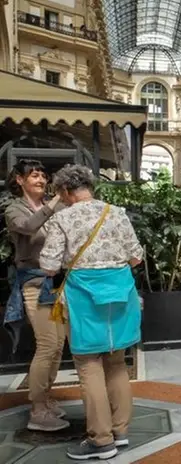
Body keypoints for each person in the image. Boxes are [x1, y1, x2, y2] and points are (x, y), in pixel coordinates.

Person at [39, 165, 144, 460]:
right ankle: (120, 432)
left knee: (88, 365)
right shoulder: (117, 212)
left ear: (65, 192)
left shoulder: (62, 218)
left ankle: (101, 440)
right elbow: (136, 256)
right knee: (117, 362)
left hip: (85, 296)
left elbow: (48, 265)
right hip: (120, 293)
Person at [2, 159, 66, 432]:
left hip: (59, 283)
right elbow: (28, 227)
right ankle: (37, 409)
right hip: (33, 284)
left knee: (58, 346)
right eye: (34, 176)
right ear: (20, 180)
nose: (41, 180)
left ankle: (47, 398)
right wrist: (53, 205)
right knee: (48, 345)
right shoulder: (13, 208)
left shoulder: (56, 204)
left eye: (43, 176)